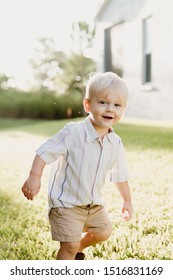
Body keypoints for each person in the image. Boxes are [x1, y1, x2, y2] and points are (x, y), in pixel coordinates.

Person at [22, 72, 133, 260]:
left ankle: (79, 248)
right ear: (87, 104)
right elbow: (44, 152)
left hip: (93, 204)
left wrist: (127, 201)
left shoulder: (115, 143)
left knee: (104, 232)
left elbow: (120, 175)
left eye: (117, 105)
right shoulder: (73, 133)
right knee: (69, 245)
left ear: (123, 109)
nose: (110, 109)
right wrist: (34, 177)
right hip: (66, 203)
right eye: (103, 102)